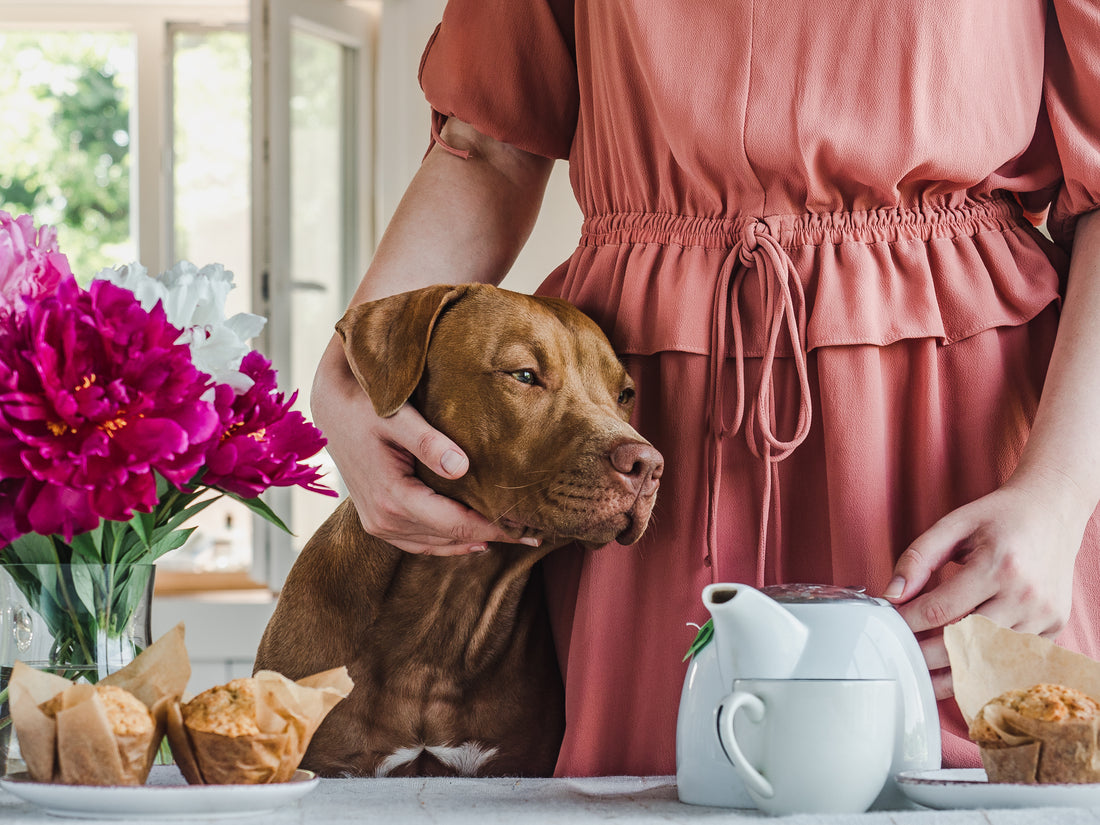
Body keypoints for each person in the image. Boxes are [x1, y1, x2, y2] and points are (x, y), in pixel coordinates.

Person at [311, 0, 1100, 776]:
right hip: (648, 435)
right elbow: (489, 146)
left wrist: (1060, 495)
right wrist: (355, 376)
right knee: (650, 779)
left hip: (959, 434)